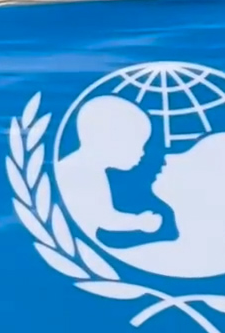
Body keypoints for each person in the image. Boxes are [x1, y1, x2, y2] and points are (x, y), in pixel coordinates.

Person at [110, 131, 225, 279]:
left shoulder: (139, 259)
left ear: (219, 193)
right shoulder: (138, 258)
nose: (169, 157)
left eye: (194, 158)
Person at [57, 96, 163, 238]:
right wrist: (139, 222)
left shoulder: (90, 170)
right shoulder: (80, 173)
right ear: (107, 140)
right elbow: (105, 219)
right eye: (137, 144)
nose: (143, 153)